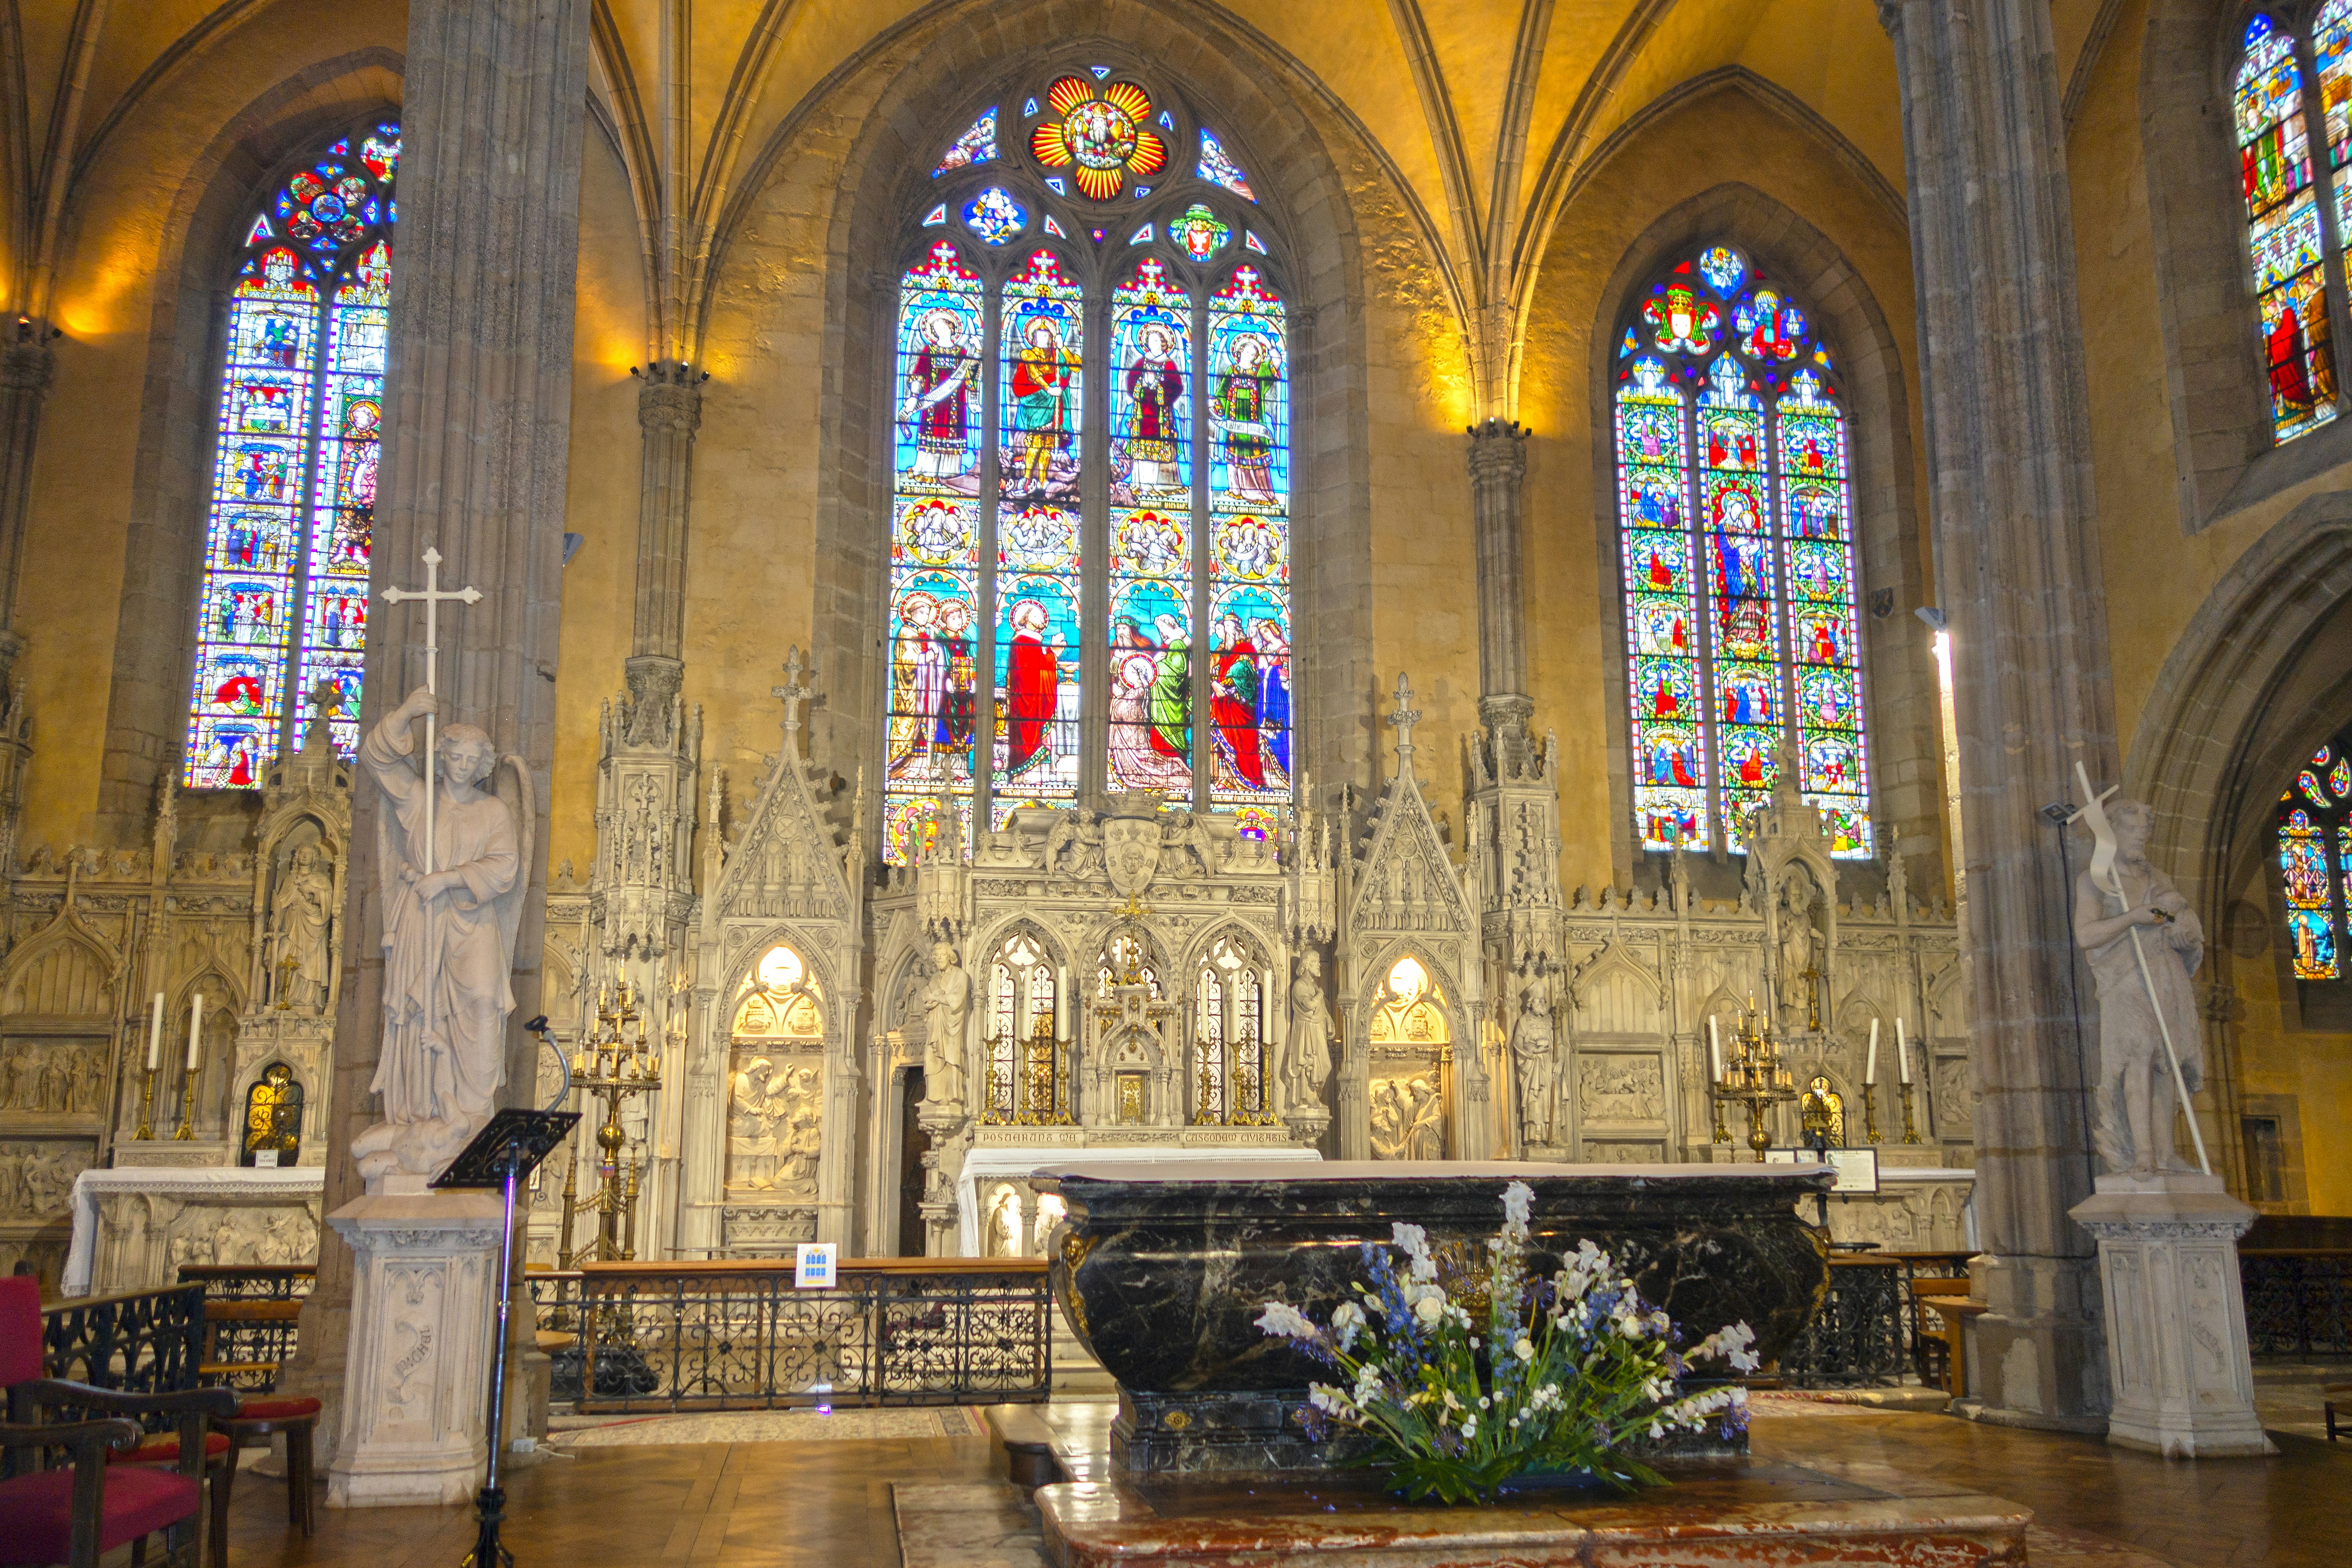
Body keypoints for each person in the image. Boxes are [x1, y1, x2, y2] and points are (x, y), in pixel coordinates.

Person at [349, 686, 528, 1184]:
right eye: (456, 755)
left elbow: (506, 868)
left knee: (481, 1002)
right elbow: (377, 758)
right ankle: (422, 1112)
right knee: (421, 1015)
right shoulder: (418, 800)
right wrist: (407, 712)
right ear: (443, 757)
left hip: (472, 925)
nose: (464, 766)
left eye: (474, 759)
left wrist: (447, 879)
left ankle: (470, 1116)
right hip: (422, 923)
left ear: (484, 765)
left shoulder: (494, 813)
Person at [2074, 798, 2205, 1175]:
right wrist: (2133, 917)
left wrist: (2181, 932)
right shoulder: (2095, 880)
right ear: (2111, 833)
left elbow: (2178, 922)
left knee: (2168, 1063)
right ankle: (2143, 1153)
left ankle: (2165, 1153)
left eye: (2144, 832)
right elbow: (2086, 935)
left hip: (2164, 972)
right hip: (2126, 979)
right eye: (2132, 831)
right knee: (2139, 1056)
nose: (2140, 839)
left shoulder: (2158, 879)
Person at [1123, 323, 1185, 490]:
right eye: (1150, 340)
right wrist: (1142, 383)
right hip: (1142, 413)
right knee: (1141, 447)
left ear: (1163, 343)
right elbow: (1131, 383)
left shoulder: (1169, 364)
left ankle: (1162, 485)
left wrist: (1159, 387)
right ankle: (1141, 483)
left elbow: (1177, 387)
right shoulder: (1141, 362)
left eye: (1156, 340)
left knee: (1163, 446)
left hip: (1161, 414)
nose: (1153, 343)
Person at [1001, 598, 1059, 778]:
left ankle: (1035, 774)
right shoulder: (1023, 640)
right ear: (1026, 619)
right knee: (1026, 735)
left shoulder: (1033, 641)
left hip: (1031, 697)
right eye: (1035, 615)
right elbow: (1028, 672)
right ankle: (1023, 774)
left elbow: (1035, 667)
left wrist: (1050, 654)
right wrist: (1053, 655)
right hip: (1026, 700)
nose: (1040, 617)